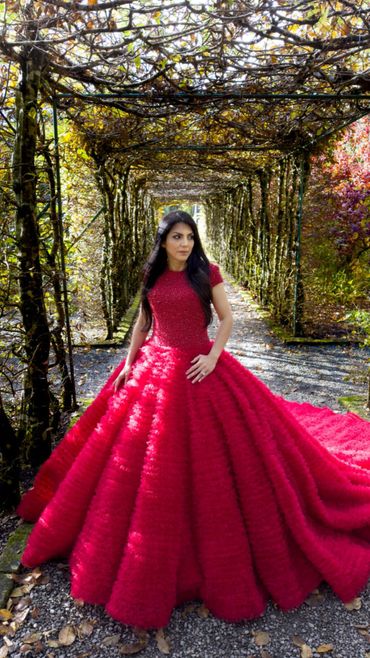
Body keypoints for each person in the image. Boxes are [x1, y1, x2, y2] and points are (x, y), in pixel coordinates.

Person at [16, 210, 370, 631]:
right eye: (177, 237)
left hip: (200, 366)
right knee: (144, 463)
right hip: (155, 368)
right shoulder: (152, 273)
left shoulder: (208, 272)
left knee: (224, 459)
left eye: (189, 236)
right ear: (164, 241)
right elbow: (143, 322)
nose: (184, 243)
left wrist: (212, 356)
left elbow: (227, 319)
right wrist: (129, 365)